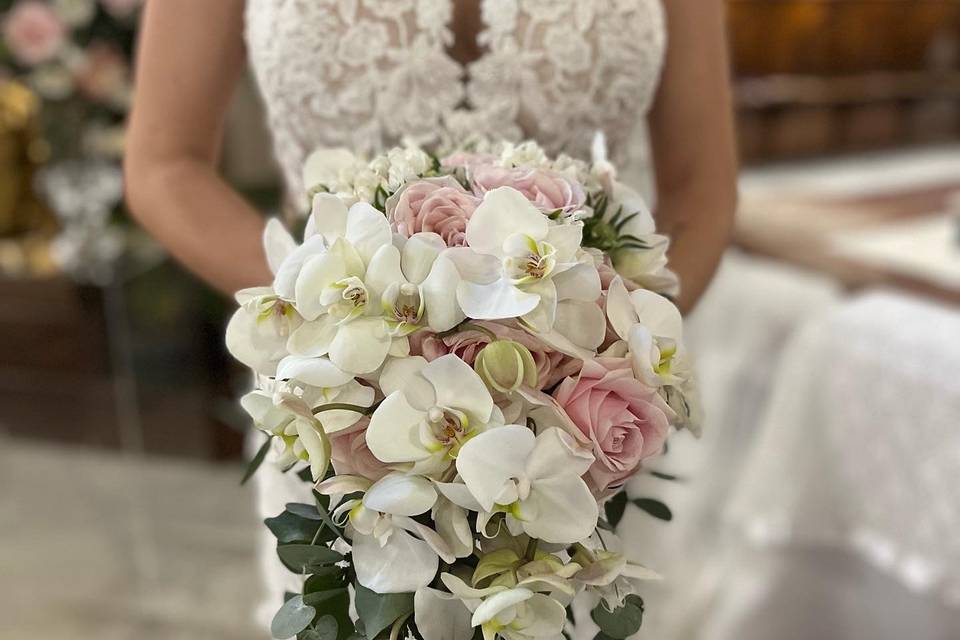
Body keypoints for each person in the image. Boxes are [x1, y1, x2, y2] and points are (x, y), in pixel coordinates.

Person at [124, 0, 737, 630]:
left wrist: (594, 351)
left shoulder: (592, 384)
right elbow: (165, 164)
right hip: (348, 419)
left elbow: (700, 192)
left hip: (587, 430)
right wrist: (345, 335)